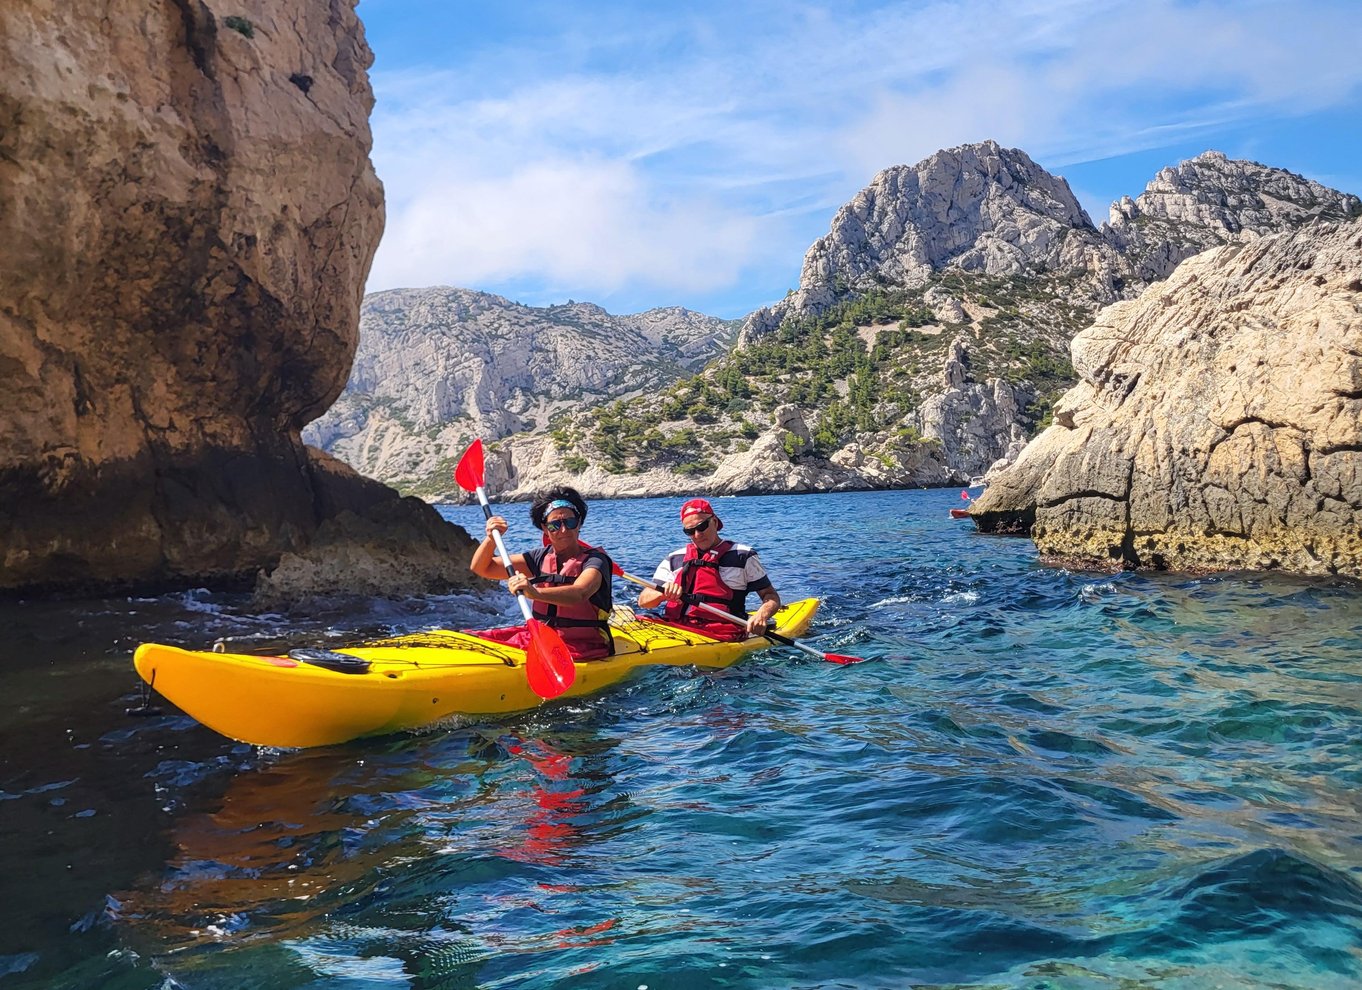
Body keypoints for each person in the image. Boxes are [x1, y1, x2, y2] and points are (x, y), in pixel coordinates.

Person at [469, 486, 615, 660]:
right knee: (474, 639)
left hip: (585, 646)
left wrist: (535, 592)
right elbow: (483, 568)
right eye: (554, 525)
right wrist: (491, 539)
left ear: (579, 523)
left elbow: (580, 592)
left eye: (570, 522)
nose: (563, 530)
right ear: (545, 529)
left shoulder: (596, 560)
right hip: (540, 639)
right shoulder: (539, 557)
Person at [637, 497, 781, 640]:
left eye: (701, 527)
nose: (697, 535)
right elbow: (644, 601)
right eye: (690, 531)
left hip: (720, 632)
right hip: (673, 628)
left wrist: (761, 615)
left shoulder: (742, 555)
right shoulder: (674, 558)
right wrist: (662, 593)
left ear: (715, 522)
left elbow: (771, 597)